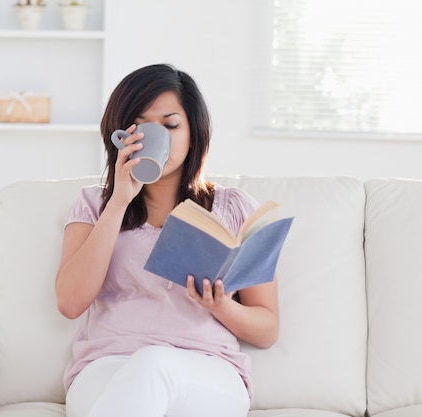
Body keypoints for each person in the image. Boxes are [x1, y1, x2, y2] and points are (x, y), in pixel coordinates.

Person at [55, 63, 279, 417]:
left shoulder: (235, 208)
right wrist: (119, 201)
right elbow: (69, 302)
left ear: (194, 132)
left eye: (171, 125)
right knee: (146, 369)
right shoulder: (94, 205)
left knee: (154, 363)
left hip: (206, 371)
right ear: (120, 134)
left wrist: (220, 307)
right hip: (107, 367)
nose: (157, 136)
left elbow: (267, 329)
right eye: (141, 126)